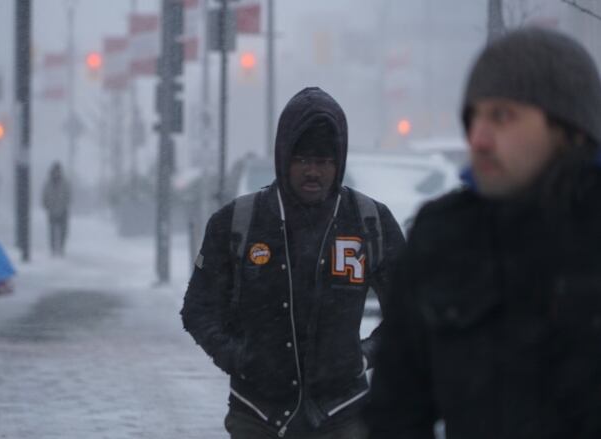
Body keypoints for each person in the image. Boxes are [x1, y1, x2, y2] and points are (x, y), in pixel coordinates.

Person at [365, 27, 601, 439]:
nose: (479, 138)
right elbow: (395, 410)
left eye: (502, 116)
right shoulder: (445, 237)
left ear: (570, 130)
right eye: (473, 117)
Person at [181, 87, 405, 438]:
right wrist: (239, 358)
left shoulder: (369, 221)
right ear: (283, 157)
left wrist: (363, 357)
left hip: (343, 414)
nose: (313, 172)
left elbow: (411, 310)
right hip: (257, 414)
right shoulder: (238, 221)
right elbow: (198, 309)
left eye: (324, 161)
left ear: (339, 162)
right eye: (302, 160)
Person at [42, 162, 71, 256]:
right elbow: (44, 195)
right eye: (55, 171)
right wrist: (46, 205)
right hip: (51, 210)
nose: (56, 173)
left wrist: (65, 204)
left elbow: (68, 195)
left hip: (63, 210)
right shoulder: (48, 183)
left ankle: (61, 248)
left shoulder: (65, 182)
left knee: (63, 231)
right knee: (52, 231)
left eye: (58, 171)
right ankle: (53, 249)